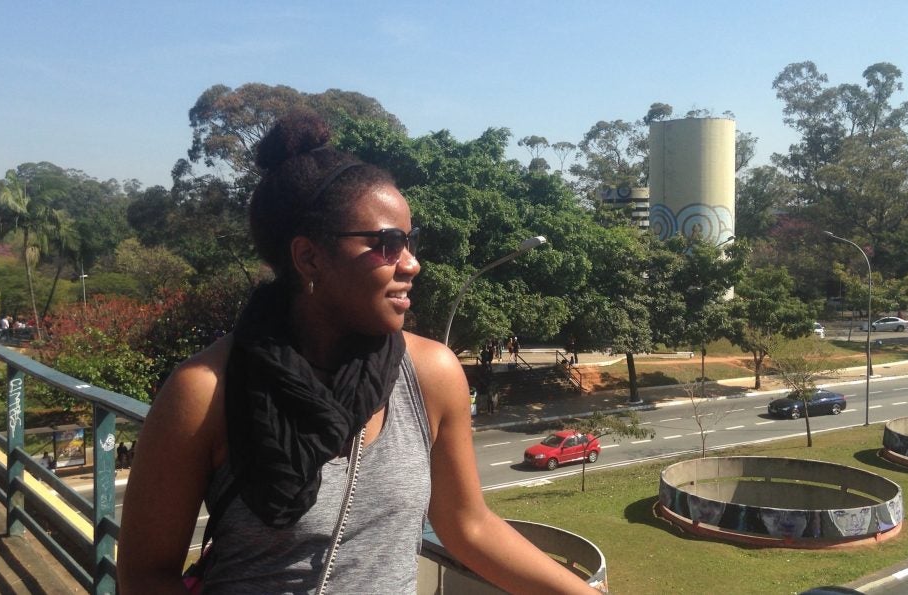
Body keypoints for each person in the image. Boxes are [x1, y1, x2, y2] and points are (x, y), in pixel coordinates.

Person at [117, 109, 593, 594]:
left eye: (411, 241)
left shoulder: (430, 373)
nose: (412, 263)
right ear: (309, 257)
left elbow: (468, 526)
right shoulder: (205, 391)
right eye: (388, 243)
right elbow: (144, 575)